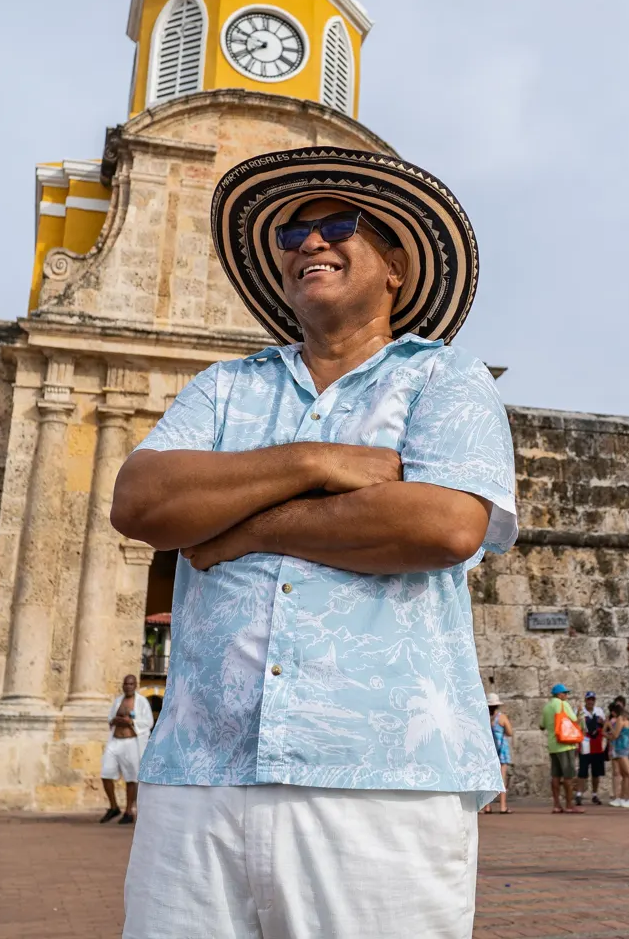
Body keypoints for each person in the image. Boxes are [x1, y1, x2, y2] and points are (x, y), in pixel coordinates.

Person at [109, 148, 517, 938]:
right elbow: (140, 500)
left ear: (395, 268)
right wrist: (311, 462)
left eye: (336, 225)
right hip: (201, 773)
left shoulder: (445, 379)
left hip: (380, 779)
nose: (308, 243)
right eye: (294, 232)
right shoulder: (225, 387)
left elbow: (443, 525)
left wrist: (238, 526)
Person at [100, 674, 154, 825]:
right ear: (123, 685)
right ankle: (113, 806)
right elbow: (110, 718)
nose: (128, 686)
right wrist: (115, 720)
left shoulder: (142, 702)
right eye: (126, 684)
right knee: (105, 773)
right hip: (115, 741)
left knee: (131, 778)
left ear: (135, 685)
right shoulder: (118, 701)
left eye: (131, 684)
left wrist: (131, 722)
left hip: (131, 742)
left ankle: (129, 811)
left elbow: (148, 722)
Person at [543, 683, 582, 814]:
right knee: (568, 776)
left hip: (553, 745)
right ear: (559, 694)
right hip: (565, 744)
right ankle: (570, 805)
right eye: (565, 693)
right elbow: (574, 719)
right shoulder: (563, 704)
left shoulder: (547, 707)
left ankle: (556, 805)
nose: (566, 695)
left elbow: (542, 725)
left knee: (555, 775)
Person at [575, 691, 608, 806]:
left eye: (592, 699)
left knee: (596, 772)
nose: (590, 702)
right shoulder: (580, 711)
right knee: (582, 771)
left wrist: (602, 722)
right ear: (585, 700)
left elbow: (605, 726)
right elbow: (575, 725)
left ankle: (594, 794)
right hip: (585, 743)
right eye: (589, 699)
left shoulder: (599, 711)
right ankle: (579, 794)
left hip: (597, 745)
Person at [607, 698, 629, 807]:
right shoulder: (628, 718)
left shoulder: (620, 719)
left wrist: (607, 734)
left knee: (628, 774)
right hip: (625, 746)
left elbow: (615, 735)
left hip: (621, 747)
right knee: (625, 774)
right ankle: (622, 798)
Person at [486, 695, 514, 813]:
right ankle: (503, 806)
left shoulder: (485, 718)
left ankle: (486, 806)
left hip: (489, 751)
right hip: (501, 750)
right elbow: (509, 732)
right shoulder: (501, 717)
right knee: (502, 779)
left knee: (488, 779)